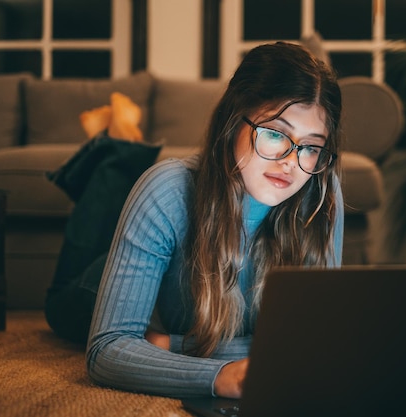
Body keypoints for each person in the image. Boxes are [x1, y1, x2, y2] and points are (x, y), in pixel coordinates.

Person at [44, 41, 344, 399]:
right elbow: (107, 349)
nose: (290, 162)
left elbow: (312, 345)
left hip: (167, 317)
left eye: (311, 146)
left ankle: (120, 145)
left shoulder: (322, 193)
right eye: (275, 134)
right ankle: (115, 146)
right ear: (234, 120)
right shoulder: (167, 190)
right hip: (94, 286)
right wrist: (220, 377)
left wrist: (171, 344)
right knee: (61, 302)